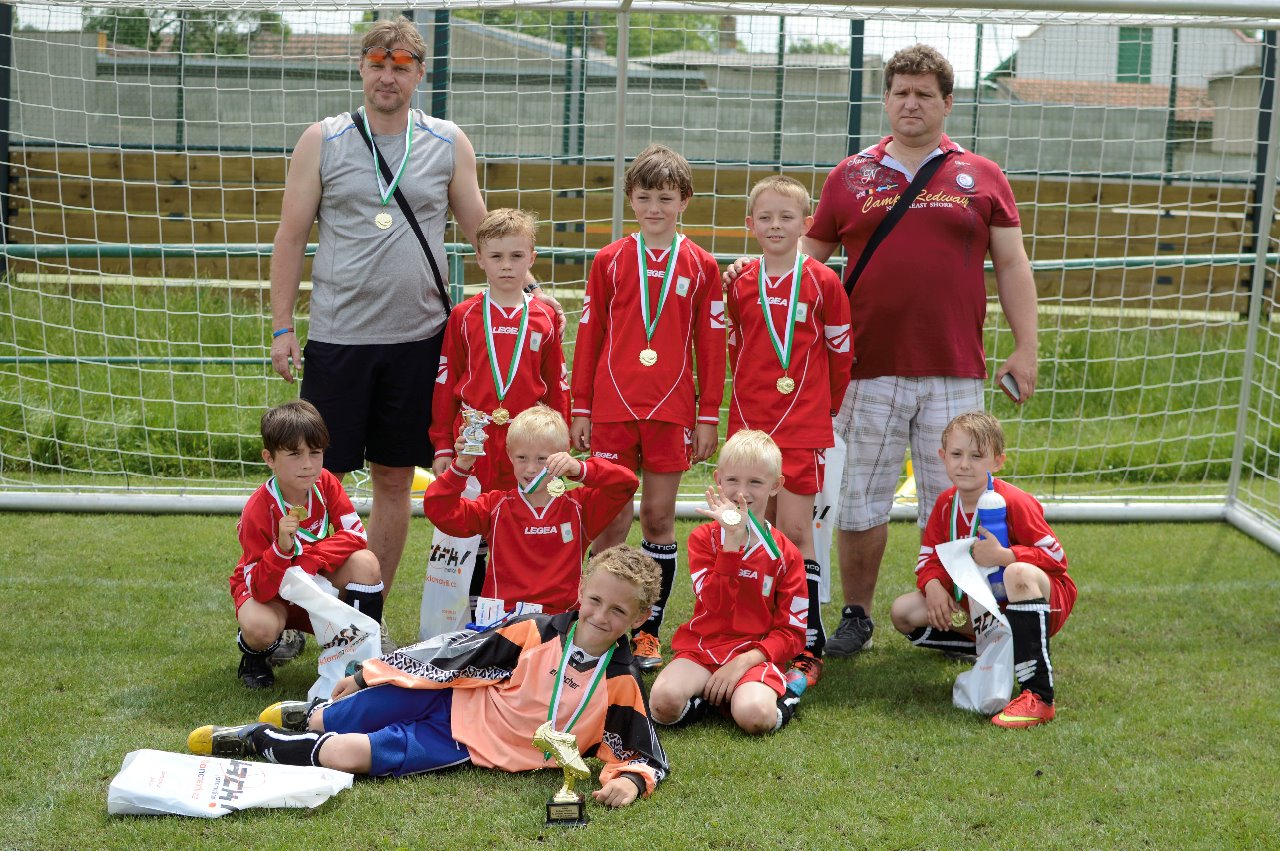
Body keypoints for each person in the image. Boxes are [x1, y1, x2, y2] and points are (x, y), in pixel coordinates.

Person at [729, 44, 1039, 655]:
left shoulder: (982, 175)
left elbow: (1011, 264)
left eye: (924, 94)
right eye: (901, 92)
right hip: (865, 369)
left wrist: (1025, 346)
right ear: (887, 100)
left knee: (954, 498)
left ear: (947, 103)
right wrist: (750, 269)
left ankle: (966, 620)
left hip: (954, 366)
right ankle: (857, 615)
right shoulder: (850, 176)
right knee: (859, 500)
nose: (911, 103)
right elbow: (802, 260)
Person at [266, 17, 560, 618]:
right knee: (314, 479)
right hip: (339, 339)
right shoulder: (323, 139)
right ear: (361, 68)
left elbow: (485, 232)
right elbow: (290, 236)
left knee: (395, 480)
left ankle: (365, 613)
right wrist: (282, 325)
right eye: (377, 64)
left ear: (419, 74)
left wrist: (534, 293)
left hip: (418, 341)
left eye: (400, 67)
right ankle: (304, 615)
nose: (387, 77)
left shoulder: (447, 142)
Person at [188, 545, 668, 808]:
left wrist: (630, 781)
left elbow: (641, 751)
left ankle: (255, 738)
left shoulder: (621, 680)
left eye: (618, 610)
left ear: (640, 617)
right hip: (445, 699)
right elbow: (453, 651)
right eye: (595, 600)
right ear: (581, 590)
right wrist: (369, 674)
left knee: (342, 753)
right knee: (338, 717)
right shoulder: (537, 631)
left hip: (460, 745)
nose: (601, 615)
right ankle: (310, 715)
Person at [570, 143, 726, 671]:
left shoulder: (702, 265)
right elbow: (589, 337)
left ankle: (646, 634)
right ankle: (594, 627)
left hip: (672, 410)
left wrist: (708, 414)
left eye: (665, 197)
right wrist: (581, 407)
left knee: (658, 518)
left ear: (684, 201)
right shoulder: (609, 260)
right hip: (612, 408)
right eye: (644, 197)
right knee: (610, 520)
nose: (654, 207)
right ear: (630, 200)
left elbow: (711, 346)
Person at [725, 175, 853, 694]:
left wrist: (825, 409)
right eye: (765, 217)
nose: (775, 225)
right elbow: (733, 346)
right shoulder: (739, 281)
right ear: (750, 224)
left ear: (807, 223)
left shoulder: (823, 282)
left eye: (786, 217)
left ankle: (807, 644)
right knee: (748, 528)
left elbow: (841, 354)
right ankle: (752, 632)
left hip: (801, 427)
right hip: (750, 426)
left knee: (797, 533)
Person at [889, 412, 1075, 727]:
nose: (964, 464)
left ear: (997, 461)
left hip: (1043, 597)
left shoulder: (1014, 501)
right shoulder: (945, 504)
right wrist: (933, 585)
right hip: (983, 610)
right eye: (956, 454)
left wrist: (1006, 555)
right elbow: (928, 560)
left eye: (976, 456)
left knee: (1017, 573)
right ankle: (993, 649)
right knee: (903, 611)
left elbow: (1056, 558)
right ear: (942, 457)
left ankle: (1038, 695)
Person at [648, 431, 806, 735]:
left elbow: (792, 632)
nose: (742, 493)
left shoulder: (786, 554)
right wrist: (731, 544)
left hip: (754, 654)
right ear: (718, 479)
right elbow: (715, 605)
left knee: (754, 716)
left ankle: (787, 694)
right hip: (703, 648)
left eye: (755, 482)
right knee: (663, 703)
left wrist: (745, 662)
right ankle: (713, 698)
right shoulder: (703, 539)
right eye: (732, 480)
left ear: (775, 485)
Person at [423, 404, 638, 616]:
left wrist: (581, 469)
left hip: (560, 620)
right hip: (504, 621)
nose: (531, 468)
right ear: (509, 455)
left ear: (563, 455)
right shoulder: (495, 506)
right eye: (522, 458)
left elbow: (627, 484)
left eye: (542, 459)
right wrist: (461, 465)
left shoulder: (580, 506)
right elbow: (441, 512)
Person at [231, 400, 383, 689]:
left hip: (315, 581)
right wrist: (281, 550)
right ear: (269, 458)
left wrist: (309, 561)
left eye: (315, 452)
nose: (308, 464)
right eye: (294, 454)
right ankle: (254, 655)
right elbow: (258, 587)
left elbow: (356, 534)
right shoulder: (257, 509)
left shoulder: (326, 483)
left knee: (366, 562)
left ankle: (362, 653)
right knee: (260, 627)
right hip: (273, 594)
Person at [429, 208, 568, 492]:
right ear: (480, 258)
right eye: (496, 256)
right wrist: (443, 444)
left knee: (522, 513)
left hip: (529, 440)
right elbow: (446, 380)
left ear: (531, 258)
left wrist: (560, 441)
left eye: (516, 256)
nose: (506, 265)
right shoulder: (463, 315)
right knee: (470, 514)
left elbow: (556, 383)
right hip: (472, 436)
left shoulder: (545, 317)